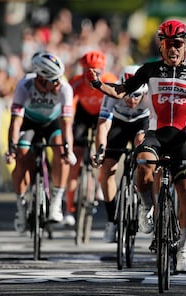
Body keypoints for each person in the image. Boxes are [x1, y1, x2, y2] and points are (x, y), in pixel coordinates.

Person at [85, 19, 186, 272]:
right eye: (168, 44)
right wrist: (97, 84)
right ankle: (147, 207)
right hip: (156, 134)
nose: (173, 49)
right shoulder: (149, 69)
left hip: (183, 138)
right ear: (161, 46)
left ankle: (185, 250)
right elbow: (121, 91)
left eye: (178, 44)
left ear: (185, 45)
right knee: (143, 165)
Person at [6, 52, 75, 233]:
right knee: (21, 156)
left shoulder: (65, 88)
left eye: (58, 79)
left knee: (62, 152)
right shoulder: (24, 85)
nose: (57, 84)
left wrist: (68, 149)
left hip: (52, 123)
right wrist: (11, 148)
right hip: (28, 122)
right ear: (39, 78)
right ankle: (21, 209)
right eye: (53, 80)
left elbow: (67, 124)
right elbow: (16, 122)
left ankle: (56, 203)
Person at [92, 65, 150, 243]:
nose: (132, 101)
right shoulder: (113, 91)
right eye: (128, 95)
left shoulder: (150, 93)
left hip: (142, 123)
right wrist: (100, 151)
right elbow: (103, 125)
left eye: (136, 96)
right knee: (106, 171)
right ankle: (112, 220)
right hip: (119, 124)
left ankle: (143, 202)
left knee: (142, 147)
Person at [64, 50, 117, 226]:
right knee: (75, 159)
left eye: (97, 71)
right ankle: (69, 208)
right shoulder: (77, 82)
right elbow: (69, 109)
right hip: (83, 115)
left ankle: (98, 179)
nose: (92, 75)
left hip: (102, 115)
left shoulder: (110, 79)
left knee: (103, 149)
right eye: (88, 71)